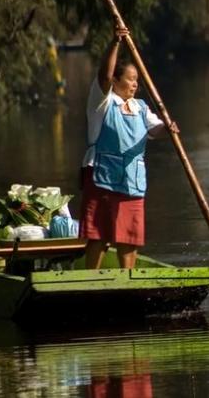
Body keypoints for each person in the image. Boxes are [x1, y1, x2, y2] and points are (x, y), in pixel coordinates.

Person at [80, 28, 177, 269]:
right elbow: (103, 75)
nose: (135, 84)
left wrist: (169, 127)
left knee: (129, 236)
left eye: (137, 80)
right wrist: (115, 42)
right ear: (116, 80)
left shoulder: (141, 108)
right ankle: (90, 278)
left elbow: (156, 130)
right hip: (101, 173)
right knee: (98, 234)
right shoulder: (102, 101)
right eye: (130, 79)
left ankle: (128, 278)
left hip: (131, 178)